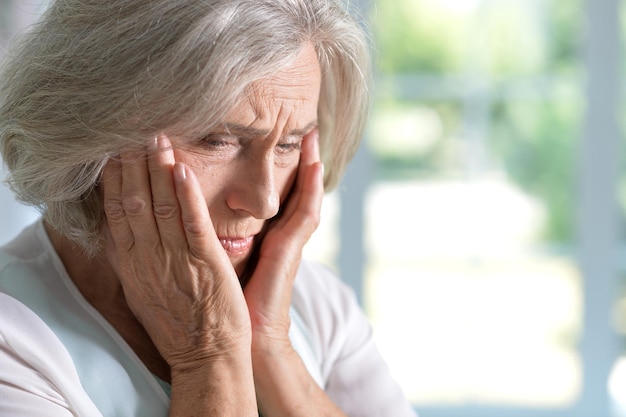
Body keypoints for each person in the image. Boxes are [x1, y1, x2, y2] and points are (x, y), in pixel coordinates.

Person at [0, 0, 418, 416]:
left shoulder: (314, 301)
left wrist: (269, 345)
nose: (265, 200)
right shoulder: (12, 341)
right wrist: (209, 351)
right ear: (85, 126)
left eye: (289, 144)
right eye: (217, 140)